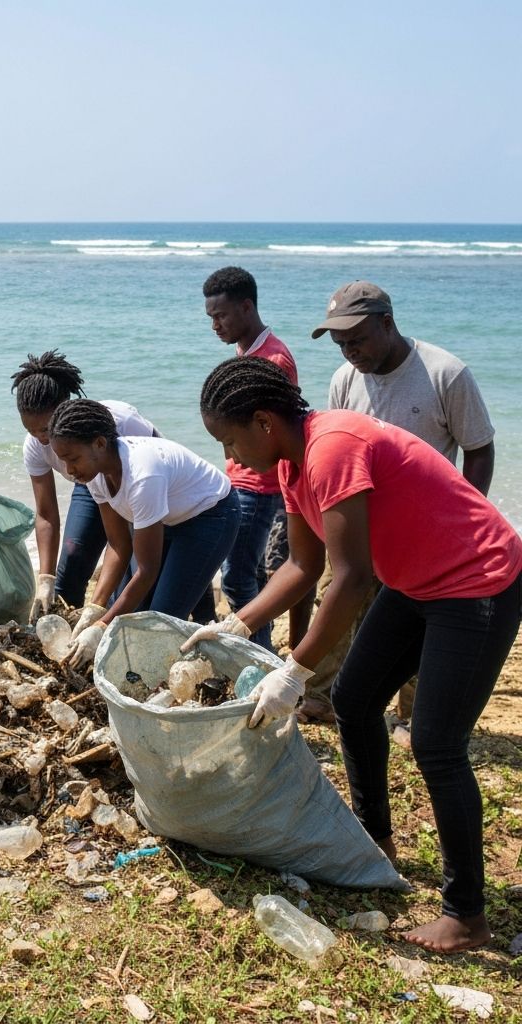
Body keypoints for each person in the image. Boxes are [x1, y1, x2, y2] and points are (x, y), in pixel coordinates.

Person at [189, 356, 521, 952]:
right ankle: (375, 841)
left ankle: (467, 915)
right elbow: (301, 566)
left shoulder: (332, 448)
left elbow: (351, 579)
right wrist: (236, 623)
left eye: (232, 440)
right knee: (355, 698)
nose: (232, 458)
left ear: (264, 422)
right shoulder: (293, 466)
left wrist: (293, 670)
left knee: (437, 746)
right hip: (416, 580)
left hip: (477, 580)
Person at [307, 281, 496, 727]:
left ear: (387, 323)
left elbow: (480, 448)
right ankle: (320, 698)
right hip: (359, 523)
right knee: (333, 600)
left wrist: (462, 519)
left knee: (419, 626)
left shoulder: (444, 374)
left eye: (357, 340)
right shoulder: (344, 381)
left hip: (422, 533)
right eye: (340, 344)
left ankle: (413, 717)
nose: (349, 352)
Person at [46, 399, 239, 668]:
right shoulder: (97, 475)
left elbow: (147, 570)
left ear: (100, 443)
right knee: (128, 614)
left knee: (159, 620)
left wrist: (101, 627)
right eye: (63, 461)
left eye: (73, 459)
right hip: (167, 515)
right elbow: (118, 544)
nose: (69, 470)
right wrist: (96, 607)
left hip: (211, 515)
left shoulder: (142, 475)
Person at [10, 351, 158, 621]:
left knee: (135, 584)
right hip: (91, 482)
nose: (41, 439)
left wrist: (99, 606)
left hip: (142, 486)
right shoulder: (35, 446)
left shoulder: (119, 422)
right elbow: (46, 514)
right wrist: (45, 578)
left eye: (45, 429)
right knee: (71, 567)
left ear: (64, 406)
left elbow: (155, 470)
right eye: (31, 431)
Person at [202, 266, 299, 652]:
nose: (215, 325)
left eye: (221, 315)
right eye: (210, 318)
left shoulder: (274, 360)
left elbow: (279, 431)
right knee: (252, 575)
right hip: (239, 480)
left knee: (237, 578)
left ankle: (256, 656)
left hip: (259, 485)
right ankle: (263, 651)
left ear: (246, 307)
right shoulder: (247, 352)